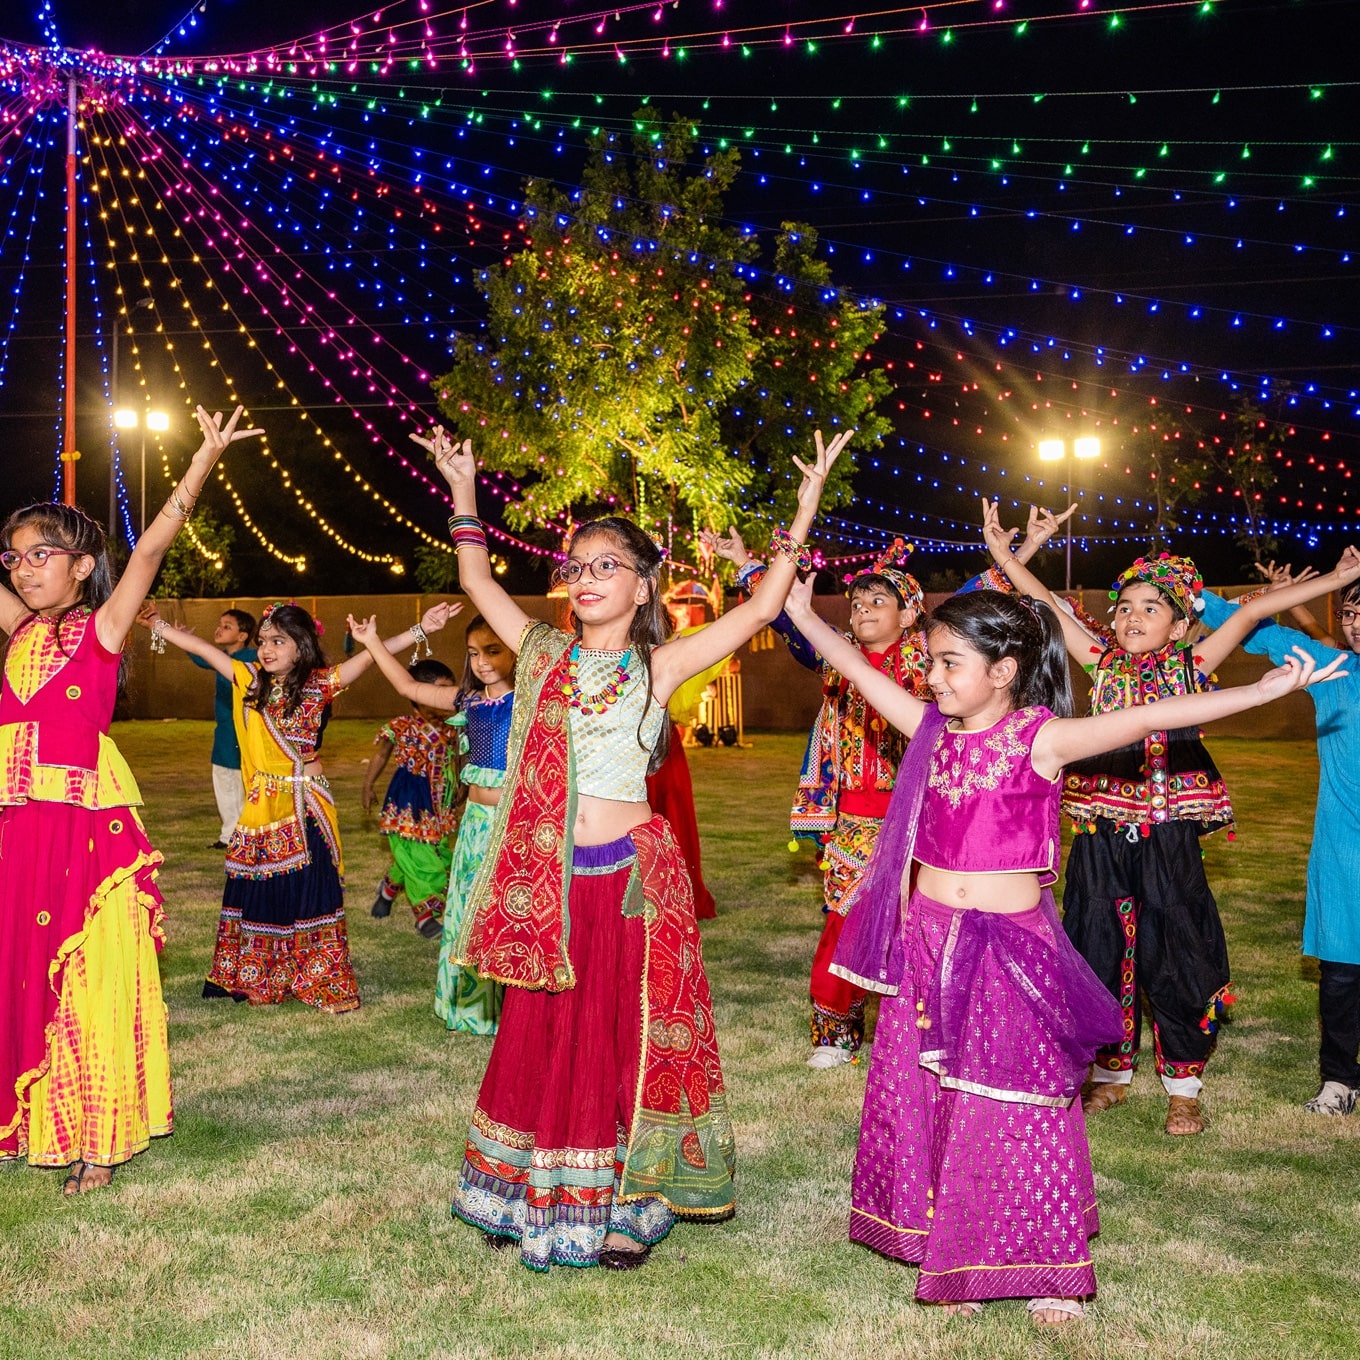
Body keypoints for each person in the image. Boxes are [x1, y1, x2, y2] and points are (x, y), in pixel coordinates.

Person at [780, 578, 1342, 1324]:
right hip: (931, 944)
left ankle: (1048, 1267)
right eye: (932, 662)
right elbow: (852, 666)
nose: (934, 676)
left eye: (950, 663)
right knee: (945, 1101)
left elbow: (1157, 714)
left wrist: (1258, 692)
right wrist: (790, 610)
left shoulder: (1040, 738)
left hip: (1010, 950)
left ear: (1003, 670)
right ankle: (960, 1254)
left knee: (1023, 1104)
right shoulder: (930, 731)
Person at [364, 420, 849, 1272]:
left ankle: (631, 1199)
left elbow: (766, 606)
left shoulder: (658, 667)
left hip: (627, 880)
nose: (584, 579)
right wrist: (465, 491)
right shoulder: (542, 653)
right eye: (575, 568)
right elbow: (476, 577)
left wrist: (802, 509)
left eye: (605, 566)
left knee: (624, 1035)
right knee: (545, 1028)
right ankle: (521, 1187)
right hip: (547, 880)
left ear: (642, 585)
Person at [981, 501, 1360, 1134]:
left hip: (1169, 838)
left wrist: (1339, 580)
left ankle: (1184, 1084)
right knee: (1097, 944)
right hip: (1101, 836)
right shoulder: (1099, 661)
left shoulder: (1194, 665)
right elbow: (1045, 602)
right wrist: (1005, 558)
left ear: (1181, 625)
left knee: (1177, 948)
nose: (1132, 616)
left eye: (1151, 608)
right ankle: (1109, 1073)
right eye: (1124, 606)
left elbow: (1255, 611)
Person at [0, 404, 263, 1192]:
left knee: (88, 980)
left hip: (81, 835)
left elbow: (149, 549)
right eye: (13, 558)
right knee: (18, 971)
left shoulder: (102, 628)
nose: (24, 568)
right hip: (16, 830)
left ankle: (97, 1139)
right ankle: (25, 1120)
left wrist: (201, 464)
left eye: (42, 554)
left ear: (82, 565)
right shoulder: (16, 633)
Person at [705, 509, 1068, 1066]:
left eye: (878, 601)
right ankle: (835, 1034)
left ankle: (934, 1028)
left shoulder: (928, 661)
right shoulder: (835, 656)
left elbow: (974, 600)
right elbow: (782, 617)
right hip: (853, 813)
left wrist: (1018, 555)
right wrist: (747, 565)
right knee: (845, 917)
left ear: (910, 615)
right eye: (857, 602)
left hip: (924, 813)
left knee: (926, 925)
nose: (863, 609)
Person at [140, 597, 457, 1012]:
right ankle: (260, 975)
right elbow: (204, 649)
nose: (267, 649)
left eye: (279, 641)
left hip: (309, 804)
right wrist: (157, 628)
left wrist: (424, 629)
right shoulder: (249, 679)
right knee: (264, 888)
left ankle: (316, 972)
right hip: (263, 807)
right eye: (263, 641)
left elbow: (374, 656)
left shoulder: (321, 683)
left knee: (312, 889)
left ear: (301, 646)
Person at [1199, 563, 1360, 1114]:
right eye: (1350, 613)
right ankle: (1339, 1080)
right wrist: (1188, 597)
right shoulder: (1335, 668)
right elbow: (1258, 630)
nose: (1356, 623)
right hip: (1345, 847)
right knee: (1341, 970)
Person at [352, 614, 512, 1034]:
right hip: (477, 824)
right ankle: (475, 1008)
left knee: (505, 912)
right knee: (468, 912)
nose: (481, 662)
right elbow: (406, 687)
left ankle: (516, 1007)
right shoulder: (468, 701)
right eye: (474, 653)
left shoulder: (532, 702)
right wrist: (371, 641)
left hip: (514, 823)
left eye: (492, 651)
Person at [362, 658, 459, 938]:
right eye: (440, 690)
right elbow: (381, 754)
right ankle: (426, 916)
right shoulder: (401, 726)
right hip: (408, 802)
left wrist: (460, 786)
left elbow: (456, 758)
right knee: (424, 861)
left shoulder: (452, 726)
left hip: (440, 802)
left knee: (428, 854)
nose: (447, 698)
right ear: (418, 692)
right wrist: (367, 785)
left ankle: (389, 888)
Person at [191, 608, 257, 849]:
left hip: (245, 733)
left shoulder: (253, 657)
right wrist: (178, 636)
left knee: (239, 782)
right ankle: (231, 835)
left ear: (242, 635)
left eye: (227, 626)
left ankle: (241, 836)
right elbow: (200, 656)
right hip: (226, 732)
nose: (219, 629)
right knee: (226, 780)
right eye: (220, 624)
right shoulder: (221, 658)